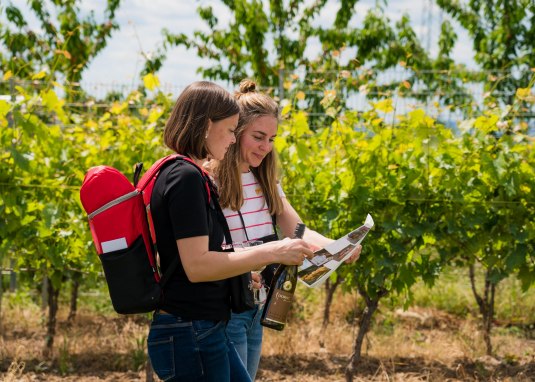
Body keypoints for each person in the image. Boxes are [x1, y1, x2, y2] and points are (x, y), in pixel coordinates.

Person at [147, 81, 314, 382]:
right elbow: (197, 265)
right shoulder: (186, 177)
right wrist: (271, 251)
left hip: (205, 326)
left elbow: (212, 253)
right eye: (229, 130)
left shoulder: (190, 175)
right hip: (192, 328)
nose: (231, 139)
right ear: (207, 126)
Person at [212, 79, 362, 381]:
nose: (266, 147)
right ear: (236, 132)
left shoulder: (265, 182)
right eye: (258, 137)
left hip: (256, 308)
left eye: (272, 139)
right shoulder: (211, 180)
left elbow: (298, 229)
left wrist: (338, 246)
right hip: (226, 310)